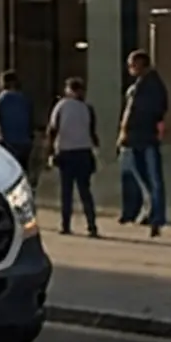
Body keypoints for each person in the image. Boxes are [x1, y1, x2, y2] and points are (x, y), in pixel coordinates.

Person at [117, 50, 169, 236]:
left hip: (144, 137)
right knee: (144, 177)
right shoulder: (141, 85)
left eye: (133, 64)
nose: (130, 68)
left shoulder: (151, 86)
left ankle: (156, 216)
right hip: (137, 137)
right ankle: (149, 211)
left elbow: (147, 112)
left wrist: (128, 131)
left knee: (152, 178)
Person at [46, 76, 99, 237]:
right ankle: (91, 225)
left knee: (66, 191)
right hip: (83, 151)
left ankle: (66, 225)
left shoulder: (61, 106)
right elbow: (92, 132)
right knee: (85, 191)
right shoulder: (87, 108)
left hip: (66, 151)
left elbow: (52, 129)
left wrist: (50, 150)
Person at [0, 69, 32, 172]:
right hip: (24, 144)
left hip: (8, 143)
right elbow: (30, 122)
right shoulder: (24, 98)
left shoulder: (2, 98)